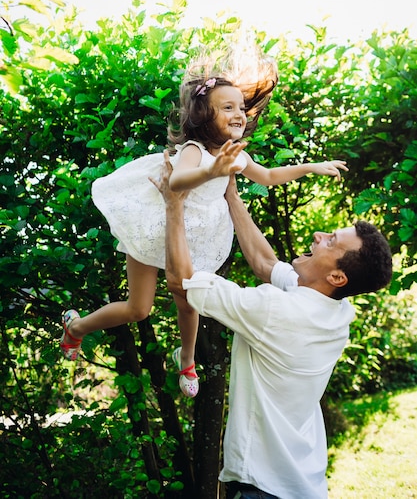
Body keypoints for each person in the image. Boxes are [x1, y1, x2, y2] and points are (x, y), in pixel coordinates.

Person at [59, 54, 347, 400]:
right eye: (227, 108)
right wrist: (212, 172)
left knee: (189, 300)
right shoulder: (195, 150)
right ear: (204, 117)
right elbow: (178, 180)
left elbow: (269, 177)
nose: (239, 114)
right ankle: (76, 327)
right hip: (156, 225)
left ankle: (187, 359)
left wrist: (311, 166)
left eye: (240, 107)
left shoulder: (237, 155)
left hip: (195, 234)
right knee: (139, 309)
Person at [155, 142, 392, 498]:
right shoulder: (338, 311)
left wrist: (174, 205)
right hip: (304, 485)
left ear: (338, 278)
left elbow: (182, 283)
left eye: (330, 241)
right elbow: (266, 265)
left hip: (262, 488)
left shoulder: (276, 312)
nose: (318, 235)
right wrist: (231, 196)